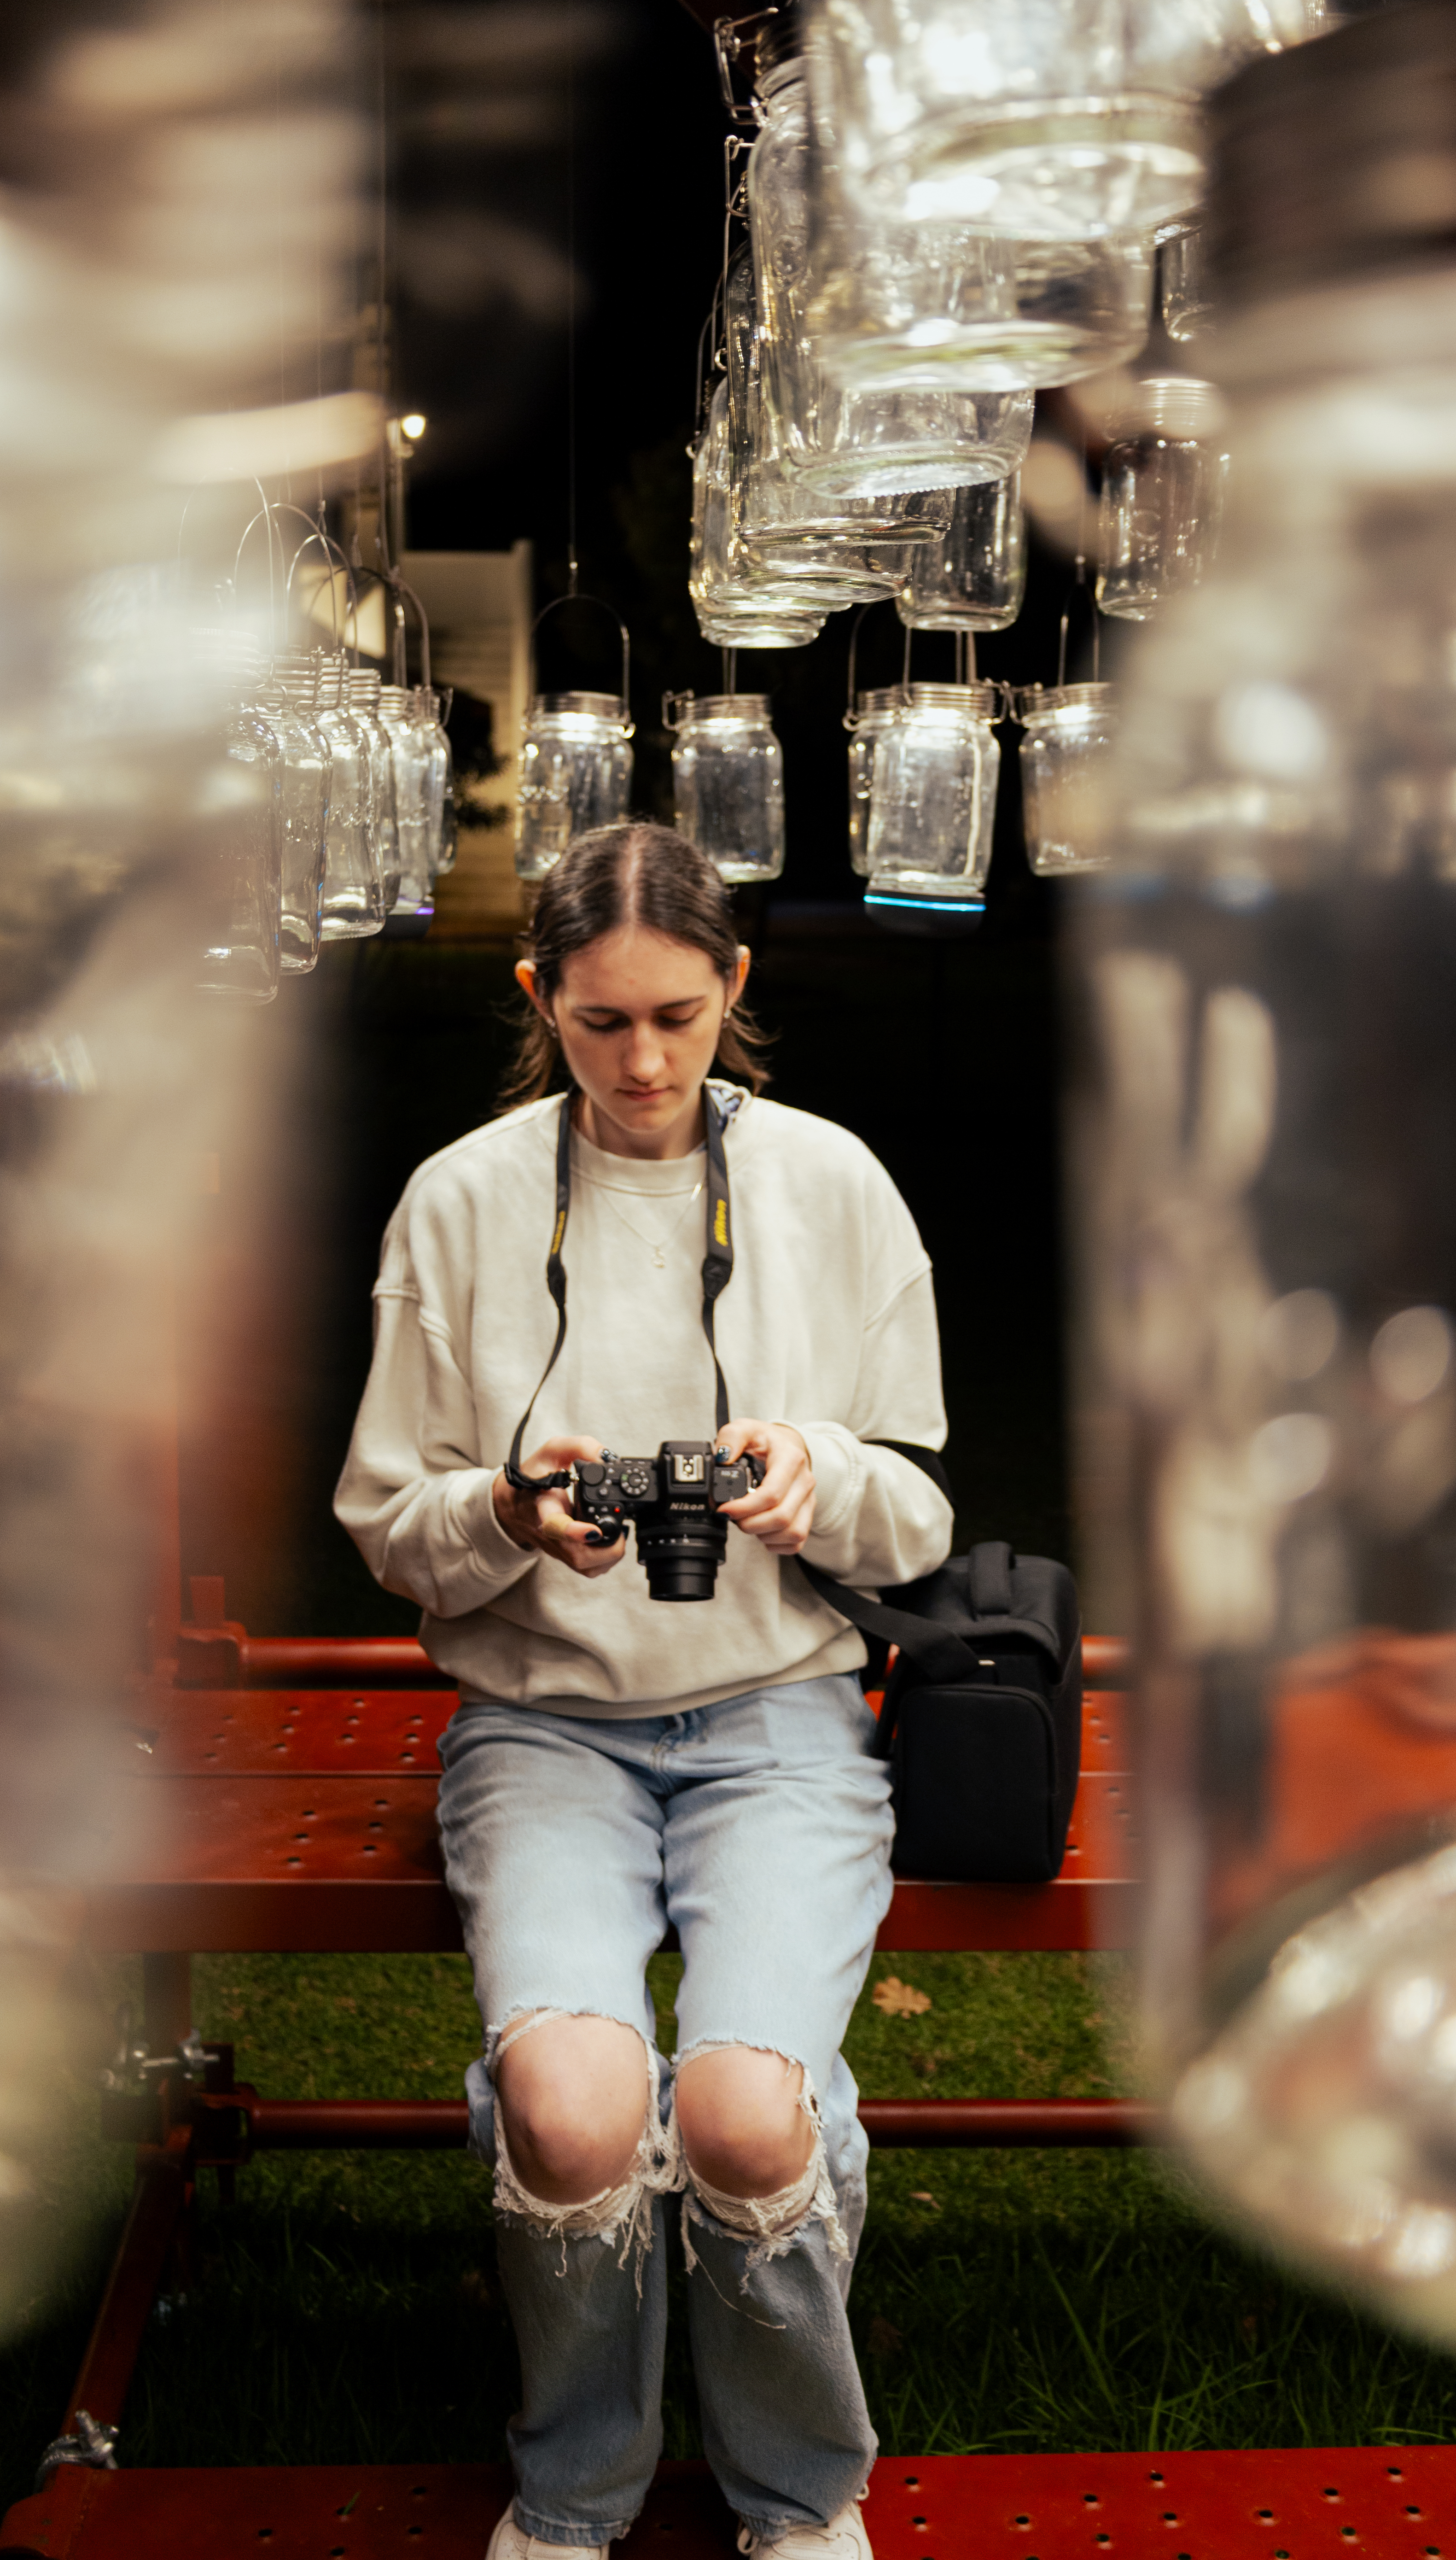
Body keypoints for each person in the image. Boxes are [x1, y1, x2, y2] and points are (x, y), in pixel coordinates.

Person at [335, 824, 952, 2560]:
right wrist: (516, 1510)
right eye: (602, 1023)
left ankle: (801, 2496)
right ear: (542, 999)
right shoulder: (462, 1202)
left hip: (780, 1711)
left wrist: (811, 1473)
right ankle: (577, 2486)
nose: (648, 1062)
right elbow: (394, 1527)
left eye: (680, 1015)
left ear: (736, 987)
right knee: (576, 2106)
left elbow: (919, 1519)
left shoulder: (831, 1184)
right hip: (542, 1725)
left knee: (748, 2117)